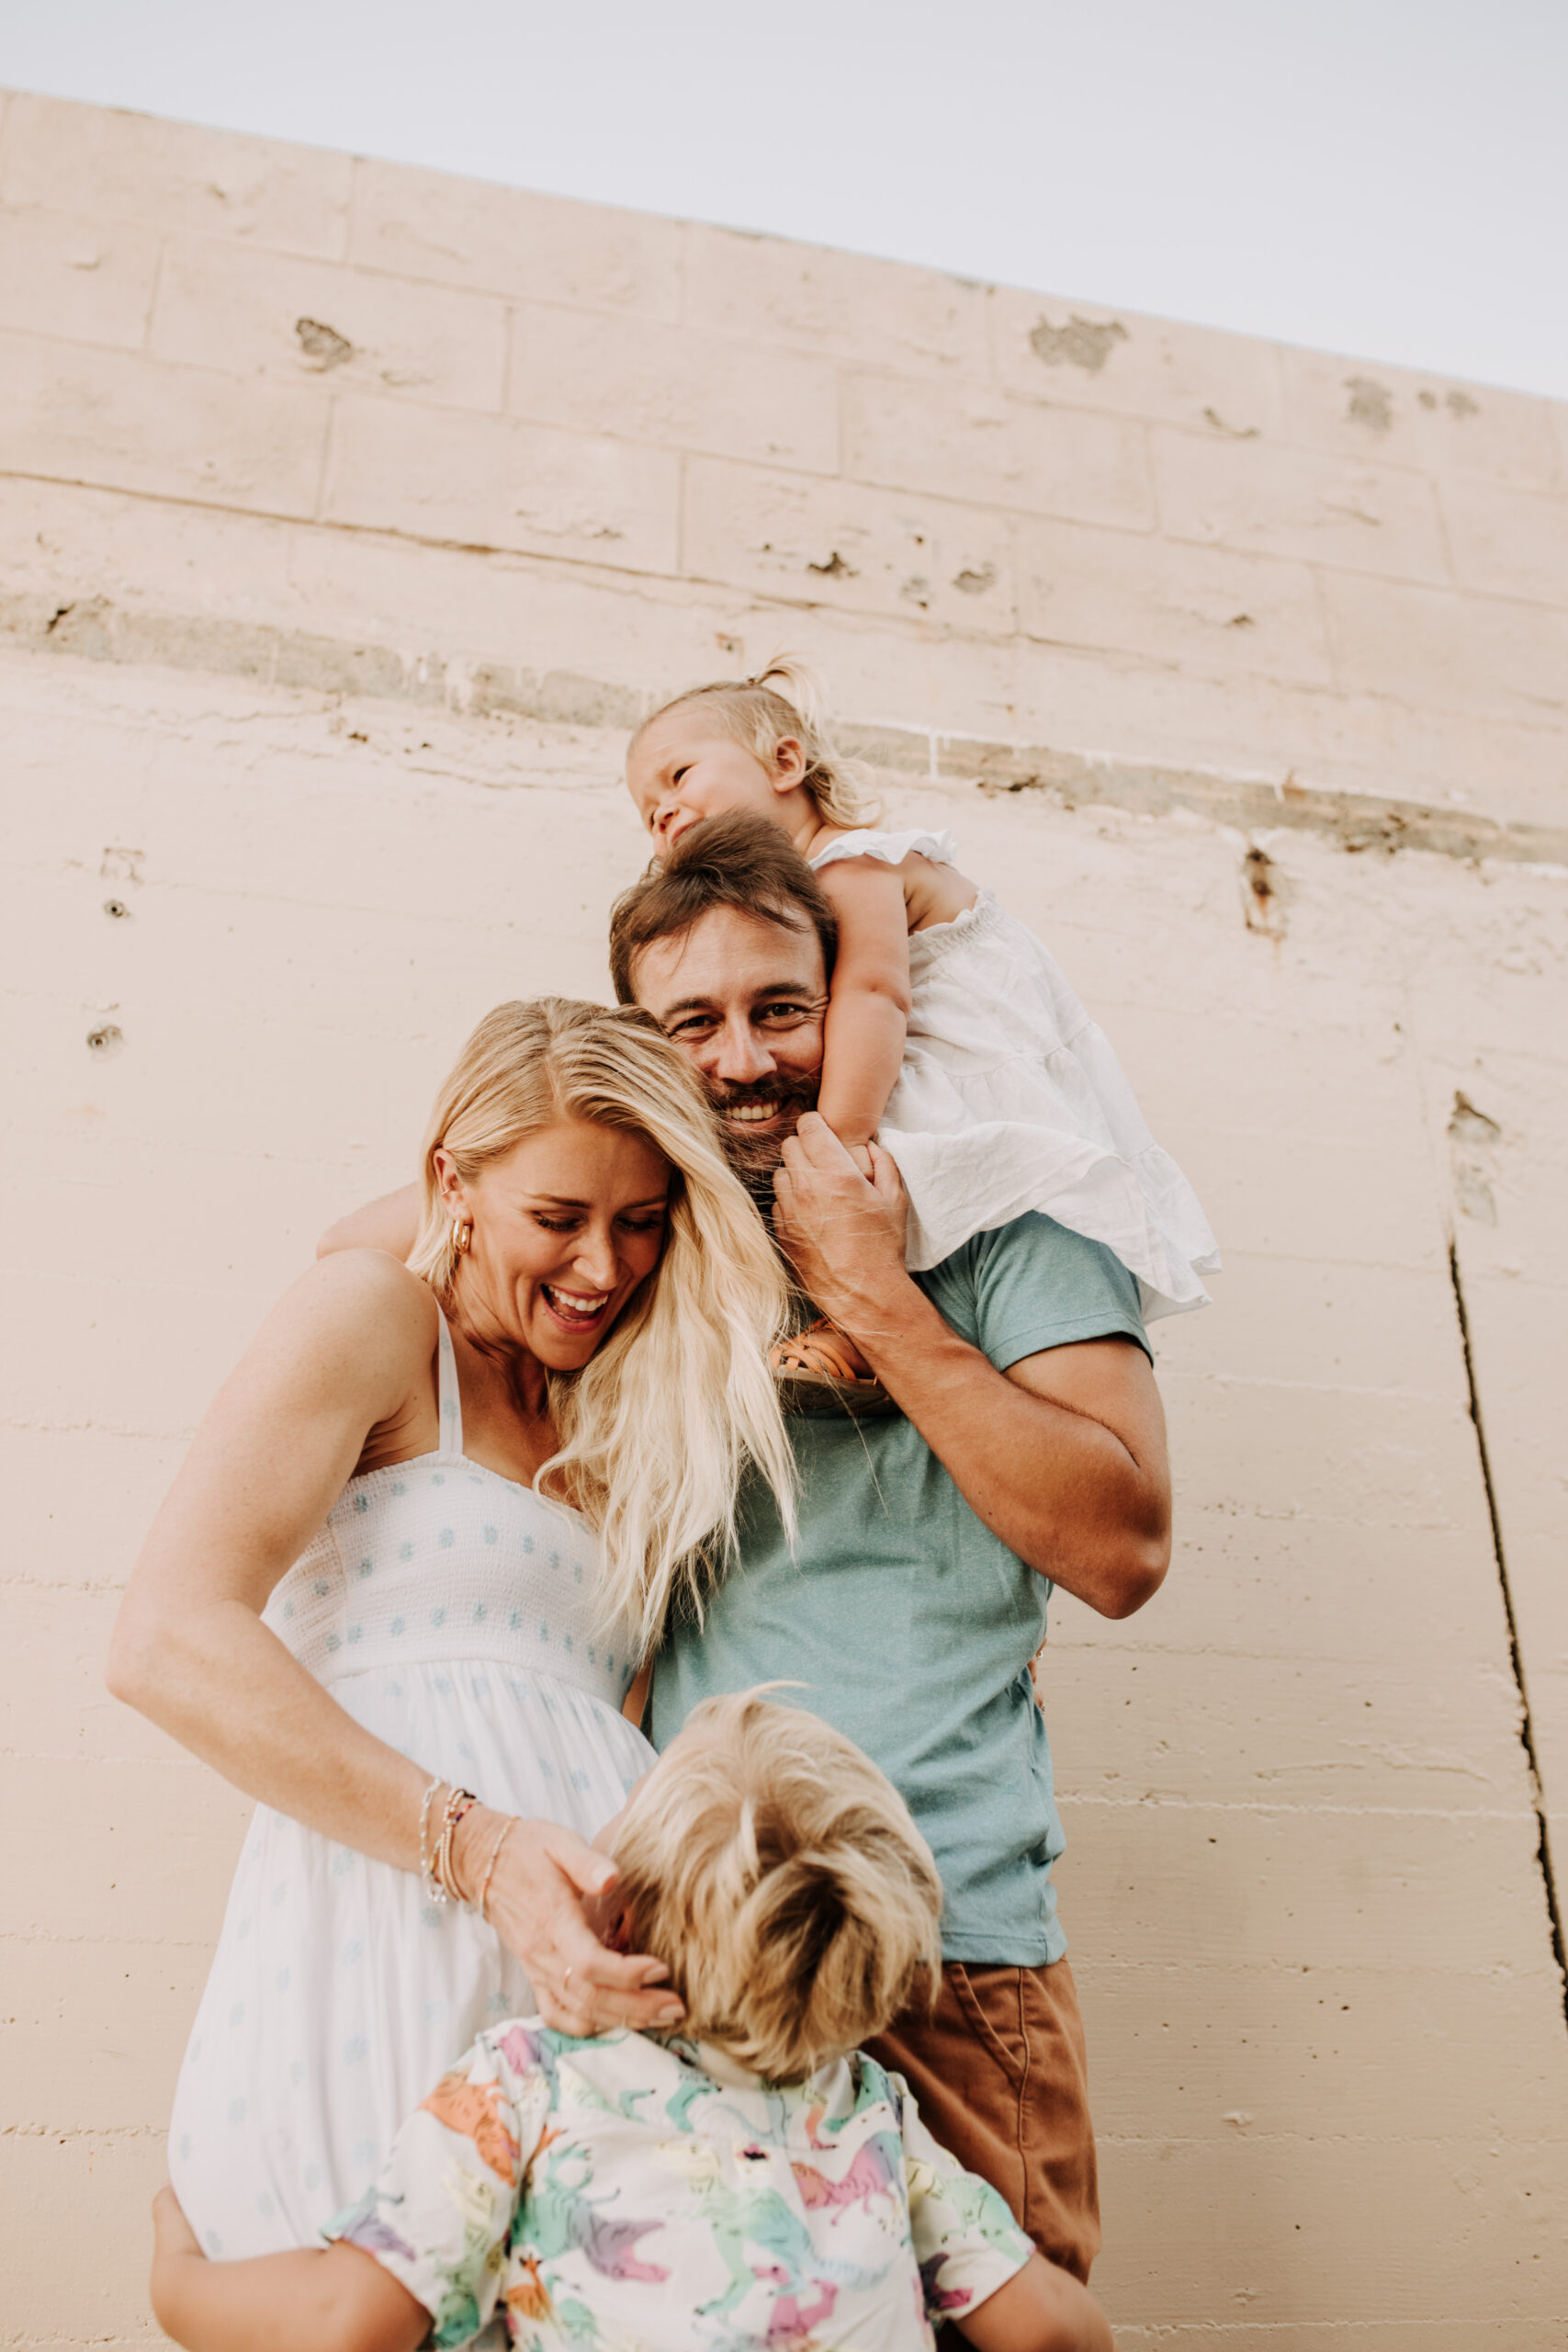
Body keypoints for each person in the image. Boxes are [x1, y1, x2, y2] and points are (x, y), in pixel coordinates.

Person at [329, 821, 1178, 2285]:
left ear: (845, 1006)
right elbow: (366, 1248)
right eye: (688, 1026)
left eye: (779, 1009)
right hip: (684, 1947)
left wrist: (873, 1289)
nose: (741, 1061)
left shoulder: (991, 1212)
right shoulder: (650, 1256)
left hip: (937, 1936)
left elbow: (1121, 1544)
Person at [107, 998, 798, 2266]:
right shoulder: (378, 1318)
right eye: (557, 1219)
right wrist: (479, 1855)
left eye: (641, 1222)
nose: (602, 1267)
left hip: (588, 1989)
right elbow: (164, 1638)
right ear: (450, 1183)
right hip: (384, 1940)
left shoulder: (623, 1421)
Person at [148, 1692, 1115, 2352]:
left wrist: (176, 2277)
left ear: (622, 1916)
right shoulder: (868, 2109)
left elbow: (344, 2324)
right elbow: (1059, 2334)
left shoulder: (531, 2079)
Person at [626, 658, 1216, 1379]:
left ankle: (850, 1323)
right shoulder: (830, 879)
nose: (663, 813)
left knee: (884, 1176)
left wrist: (834, 1142)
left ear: (785, 762)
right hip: (943, 1054)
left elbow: (875, 998)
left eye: (678, 776)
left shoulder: (852, 866)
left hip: (959, 1060)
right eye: (647, 811)